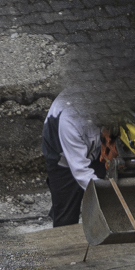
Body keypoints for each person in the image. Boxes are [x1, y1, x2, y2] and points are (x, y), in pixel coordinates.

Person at [41, 90, 105, 227]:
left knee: (103, 209)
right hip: (61, 160)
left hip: (96, 151)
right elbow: (80, 171)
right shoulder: (70, 120)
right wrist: (108, 192)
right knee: (66, 218)